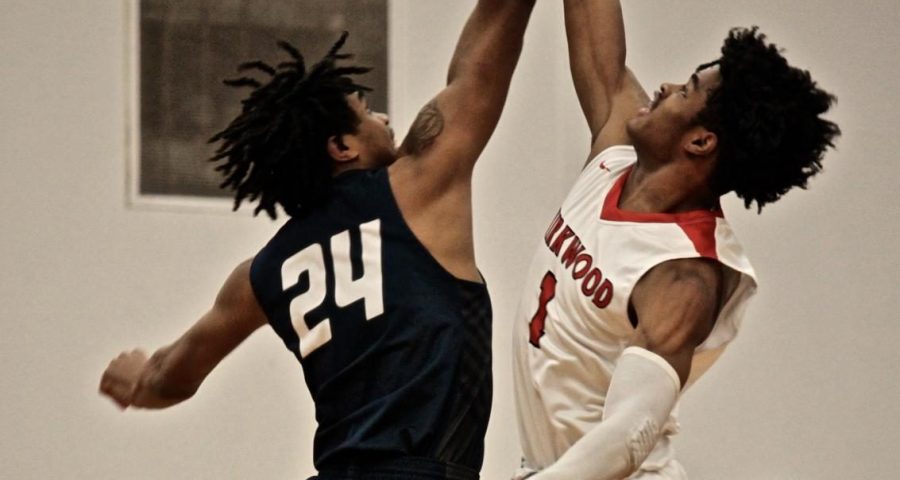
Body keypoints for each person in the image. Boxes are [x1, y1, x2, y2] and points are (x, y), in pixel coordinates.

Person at [99, 1, 535, 478]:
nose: (386, 117)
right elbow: (476, 73)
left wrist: (139, 382)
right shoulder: (416, 187)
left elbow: (173, 377)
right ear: (343, 147)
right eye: (367, 112)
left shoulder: (259, 276)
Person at [511, 1, 840, 479]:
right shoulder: (615, 156)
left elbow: (628, 434)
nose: (663, 87)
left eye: (686, 90)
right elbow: (595, 33)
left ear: (701, 142)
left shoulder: (683, 274)